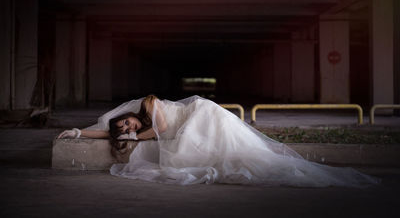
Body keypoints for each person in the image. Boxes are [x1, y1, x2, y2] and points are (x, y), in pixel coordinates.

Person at [57, 95, 380, 187]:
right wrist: (78, 133)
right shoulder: (129, 127)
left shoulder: (149, 104)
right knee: (200, 153)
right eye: (124, 126)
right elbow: (107, 132)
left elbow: (162, 128)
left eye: (125, 121)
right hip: (188, 126)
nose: (127, 125)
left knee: (183, 148)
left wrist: (133, 134)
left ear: (130, 114)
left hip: (201, 113)